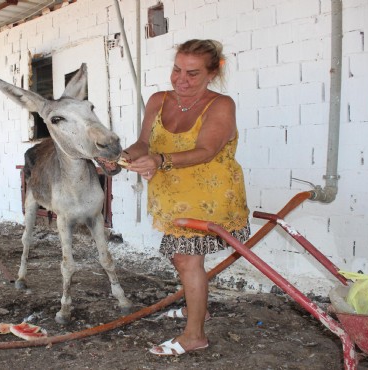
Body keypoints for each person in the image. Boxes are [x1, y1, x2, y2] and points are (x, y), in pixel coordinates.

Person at [122, 39, 250, 356]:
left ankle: (195, 335)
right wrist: (122, 156)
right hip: (172, 194)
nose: (181, 79)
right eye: (177, 69)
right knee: (180, 257)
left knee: (186, 259)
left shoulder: (221, 105)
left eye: (192, 73)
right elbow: (143, 143)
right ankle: (199, 310)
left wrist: (159, 161)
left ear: (212, 73)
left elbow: (207, 150)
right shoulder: (157, 100)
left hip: (209, 196)